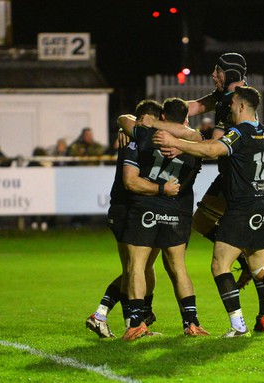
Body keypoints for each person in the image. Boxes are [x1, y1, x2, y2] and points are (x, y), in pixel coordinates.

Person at [153, 86, 264, 337]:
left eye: (232, 104)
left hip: (242, 208)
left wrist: (175, 142)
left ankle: (238, 326)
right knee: (260, 269)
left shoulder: (238, 132)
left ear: (242, 106)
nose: (229, 108)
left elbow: (213, 150)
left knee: (219, 265)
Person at [118, 98, 209, 341]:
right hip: (177, 210)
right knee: (178, 267)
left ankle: (136, 323)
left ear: (164, 118)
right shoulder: (195, 144)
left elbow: (124, 120)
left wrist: (149, 124)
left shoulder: (147, 135)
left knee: (136, 265)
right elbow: (199, 137)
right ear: (185, 119)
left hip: (145, 206)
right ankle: (191, 322)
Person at [86, 100, 165, 339]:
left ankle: (135, 322)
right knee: (135, 268)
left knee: (140, 268)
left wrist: (124, 125)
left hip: (125, 209)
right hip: (127, 210)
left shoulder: (132, 135)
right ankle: (101, 314)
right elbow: (124, 118)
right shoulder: (141, 137)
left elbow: (124, 118)